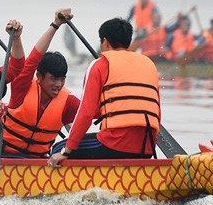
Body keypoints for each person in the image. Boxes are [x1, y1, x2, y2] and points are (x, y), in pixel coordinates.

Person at [47, 18, 160, 167]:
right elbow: (156, 111)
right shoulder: (149, 65)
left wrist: (66, 151)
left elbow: (86, 113)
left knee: (58, 149)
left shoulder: (99, 65)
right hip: (147, 147)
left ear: (105, 42)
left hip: (114, 144)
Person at [2, 9, 81, 158]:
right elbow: (32, 60)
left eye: (62, 79)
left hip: (39, 162)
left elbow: (92, 110)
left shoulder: (69, 102)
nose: (58, 84)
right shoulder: (22, 88)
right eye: (53, 79)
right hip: (4, 156)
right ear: (39, 76)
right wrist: (55, 25)